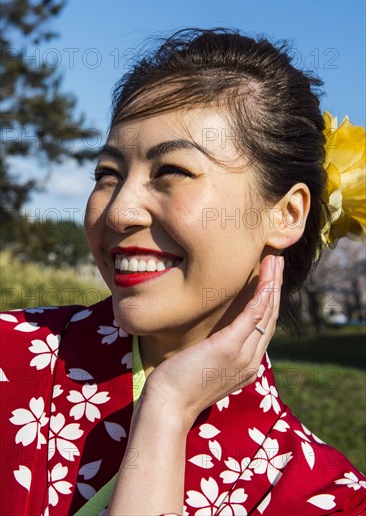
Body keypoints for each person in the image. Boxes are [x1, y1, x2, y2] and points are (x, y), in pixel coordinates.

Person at [1, 28, 365, 516]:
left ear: (287, 214)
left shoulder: (327, 497)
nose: (118, 212)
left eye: (172, 170)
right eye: (107, 175)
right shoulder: (11, 358)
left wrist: (165, 412)